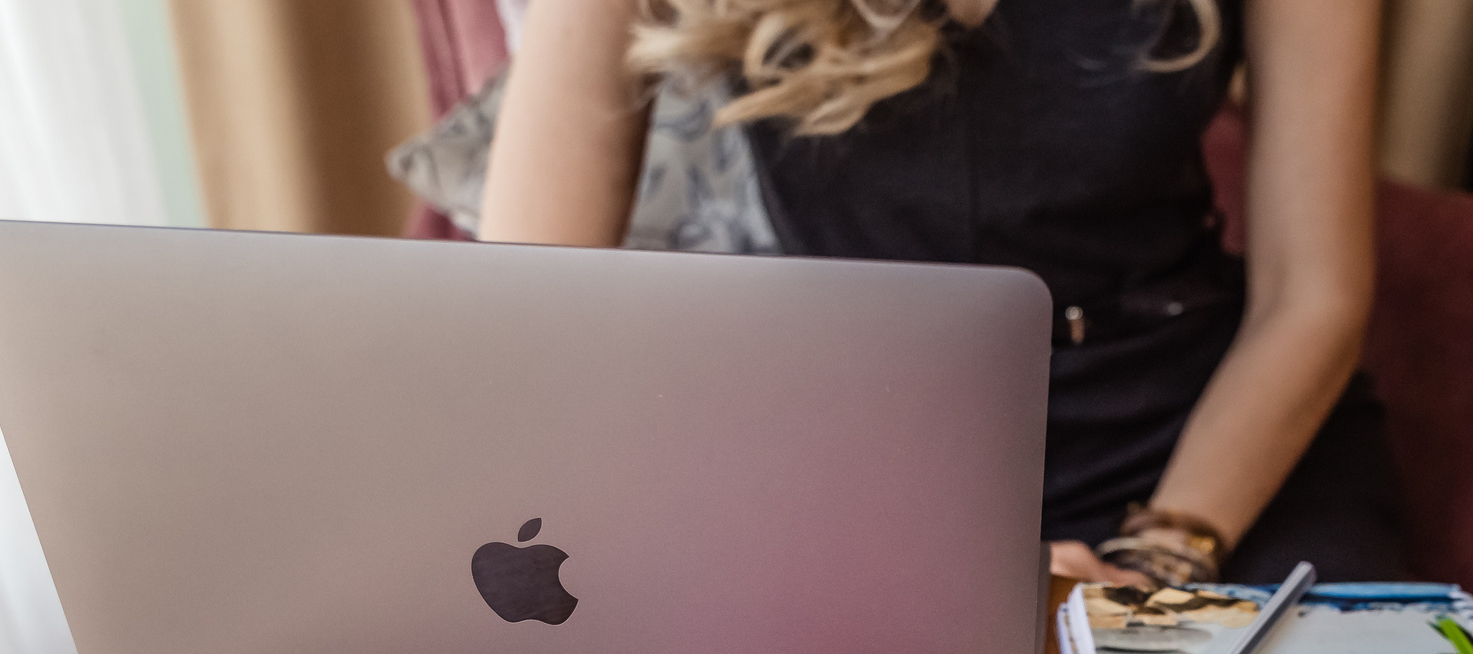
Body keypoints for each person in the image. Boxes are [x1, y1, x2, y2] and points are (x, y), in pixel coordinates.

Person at [479, 0, 1398, 589]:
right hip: (857, 457)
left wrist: (1165, 554)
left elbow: (1310, 294)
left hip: (1206, 444)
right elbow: (525, 305)